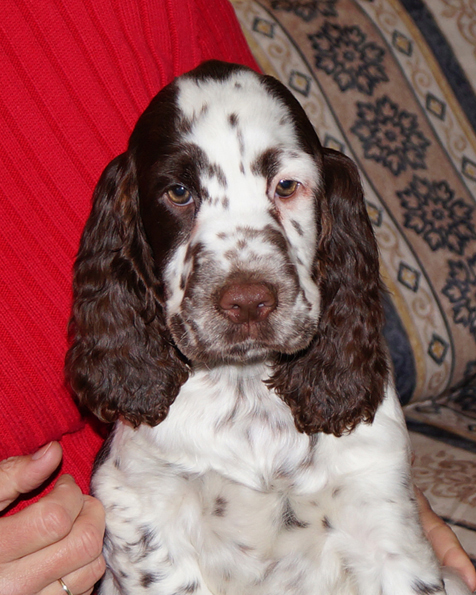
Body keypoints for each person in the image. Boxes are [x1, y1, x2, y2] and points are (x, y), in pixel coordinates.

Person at [0, 1, 474, 594]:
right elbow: (144, 521)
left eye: (284, 187)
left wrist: (393, 504)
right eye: (181, 191)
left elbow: (390, 558)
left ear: (331, 217)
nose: (245, 288)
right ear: (137, 228)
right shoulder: (152, 445)